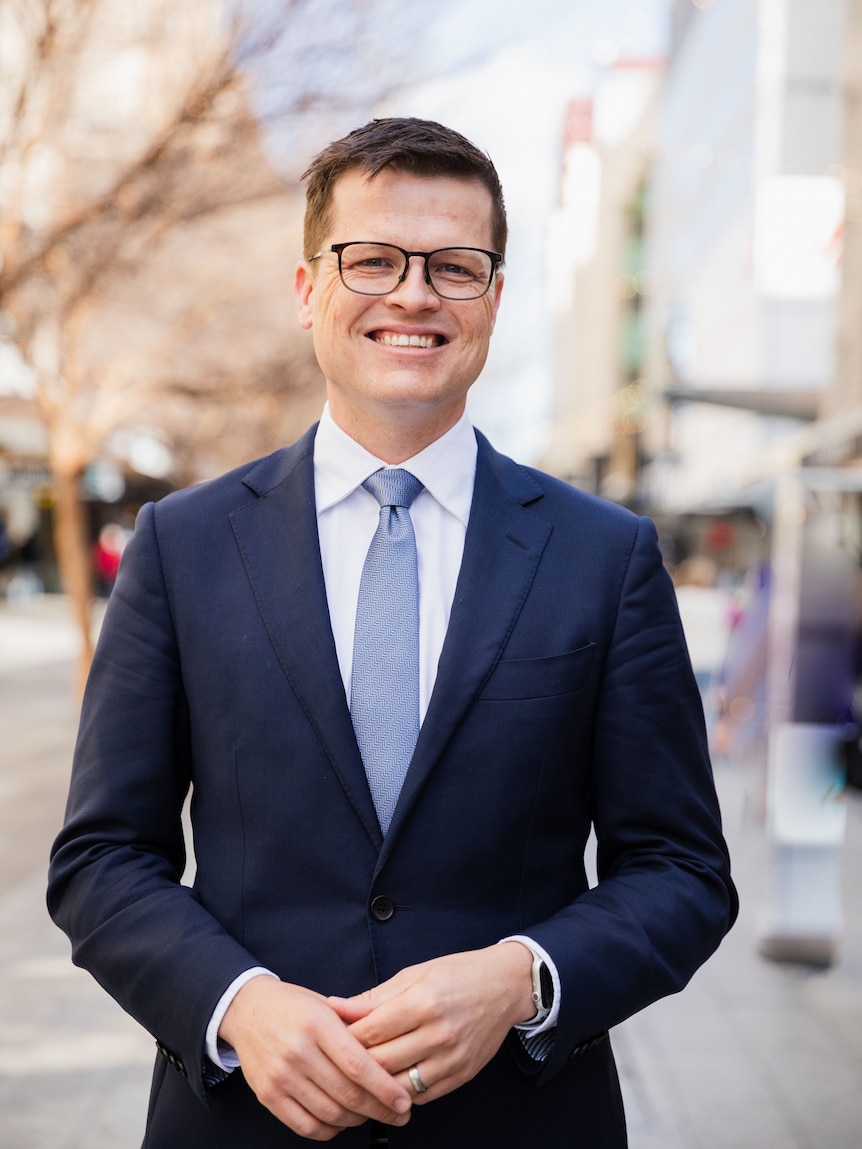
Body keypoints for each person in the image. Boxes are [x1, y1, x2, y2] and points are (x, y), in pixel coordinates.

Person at [48, 117, 737, 1148]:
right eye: (372, 260)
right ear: (305, 290)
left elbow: (682, 871)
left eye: (455, 267)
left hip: (518, 1119)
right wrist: (235, 1004)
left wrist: (521, 979)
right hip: (241, 1118)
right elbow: (102, 857)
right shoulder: (180, 545)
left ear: (494, 302)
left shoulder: (607, 556)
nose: (413, 295)